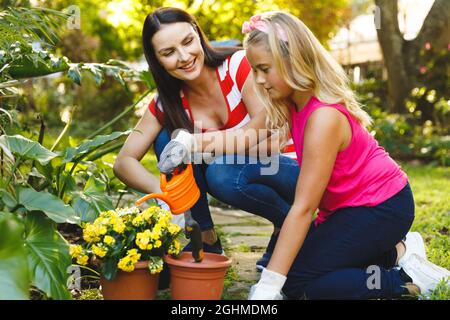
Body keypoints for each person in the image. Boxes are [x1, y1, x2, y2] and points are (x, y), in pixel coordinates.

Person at [235, 11, 450, 299]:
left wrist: (268, 288)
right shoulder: (292, 102)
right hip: (351, 208)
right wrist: (193, 144)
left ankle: (402, 279)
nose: (258, 80)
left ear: (293, 60)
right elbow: (246, 135)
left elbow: (303, 207)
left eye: (264, 68)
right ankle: (398, 252)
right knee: (297, 267)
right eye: (254, 70)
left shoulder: (322, 117)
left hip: (383, 206)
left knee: (296, 281)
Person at [113, 7, 299, 272]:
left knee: (221, 171)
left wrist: (197, 145)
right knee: (168, 137)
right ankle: (206, 239)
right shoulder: (168, 103)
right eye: (168, 53)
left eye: (188, 42)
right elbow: (123, 162)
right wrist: (168, 195)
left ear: (198, 35)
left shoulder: (238, 66)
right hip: (240, 166)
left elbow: (269, 133)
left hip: (291, 168)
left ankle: (291, 225)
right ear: (157, 60)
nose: (184, 57)